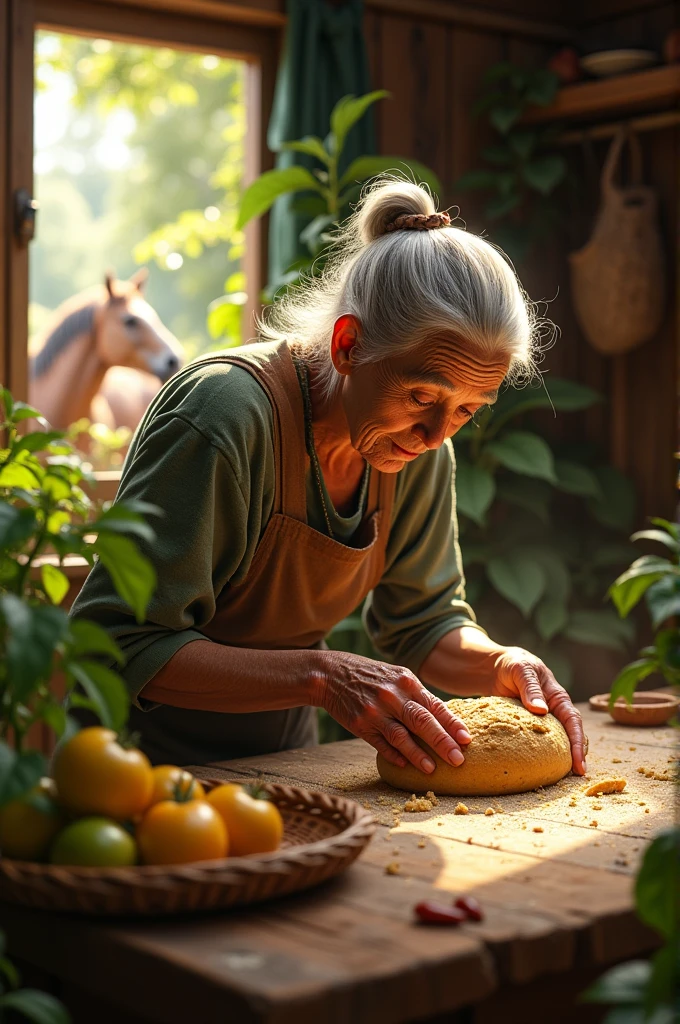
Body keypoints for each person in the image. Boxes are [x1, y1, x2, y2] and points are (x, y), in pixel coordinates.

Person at [71, 178, 586, 777]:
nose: (437, 434)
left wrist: (497, 661)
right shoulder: (224, 418)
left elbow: (425, 623)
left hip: (285, 766)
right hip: (127, 775)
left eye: (470, 409)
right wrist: (322, 675)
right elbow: (117, 643)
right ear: (348, 346)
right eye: (423, 394)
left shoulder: (414, 451)